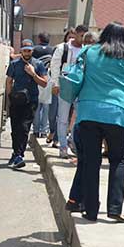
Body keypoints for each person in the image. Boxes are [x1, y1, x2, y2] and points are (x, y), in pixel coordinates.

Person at [65, 22, 124, 223]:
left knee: (91, 161)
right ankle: (114, 209)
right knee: (118, 160)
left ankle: (90, 211)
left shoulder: (89, 52)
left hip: (89, 113)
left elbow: (76, 74)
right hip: (117, 114)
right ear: (123, 39)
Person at [6, 39, 49, 168]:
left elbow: (44, 83)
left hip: (31, 101)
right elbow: (9, 81)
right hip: (16, 100)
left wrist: (33, 73)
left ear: (32, 51)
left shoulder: (38, 64)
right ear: (21, 51)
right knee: (15, 128)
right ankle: (15, 153)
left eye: (29, 50)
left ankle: (20, 155)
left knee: (24, 127)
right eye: (24, 50)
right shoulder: (14, 64)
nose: (27, 53)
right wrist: (9, 98)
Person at [50, 25, 88, 158]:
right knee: (63, 118)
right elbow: (54, 66)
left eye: (85, 36)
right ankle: (63, 146)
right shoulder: (63, 48)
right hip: (64, 85)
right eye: (81, 35)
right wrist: (55, 83)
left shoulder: (86, 50)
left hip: (80, 87)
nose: (82, 38)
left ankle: (73, 141)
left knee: (79, 116)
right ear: (75, 34)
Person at [32, 33, 55, 140]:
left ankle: (36, 130)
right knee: (46, 107)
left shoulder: (35, 49)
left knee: (36, 106)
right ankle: (44, 131)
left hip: (37, 78)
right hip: (48, 79)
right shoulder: (52, 50)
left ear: (39, 39)